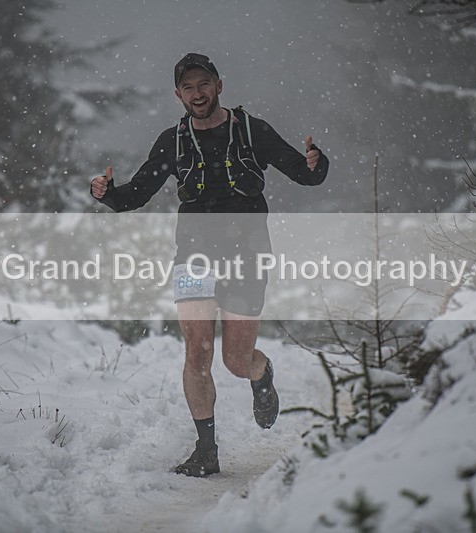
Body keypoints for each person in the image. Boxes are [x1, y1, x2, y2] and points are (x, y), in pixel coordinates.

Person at [91, 52, 329, 477]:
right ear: (178, 95)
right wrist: (107, 193)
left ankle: (260, 372)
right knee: (197, 351)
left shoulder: (252, 131)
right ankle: (207, 451)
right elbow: (135, 195)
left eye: (204, 84)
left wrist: (316, 163)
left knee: (234, 360)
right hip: (195, 255)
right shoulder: (173, 140)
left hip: (248, 254)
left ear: (219, 85)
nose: (197, 93)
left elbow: (303, 172)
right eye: (188, 87)